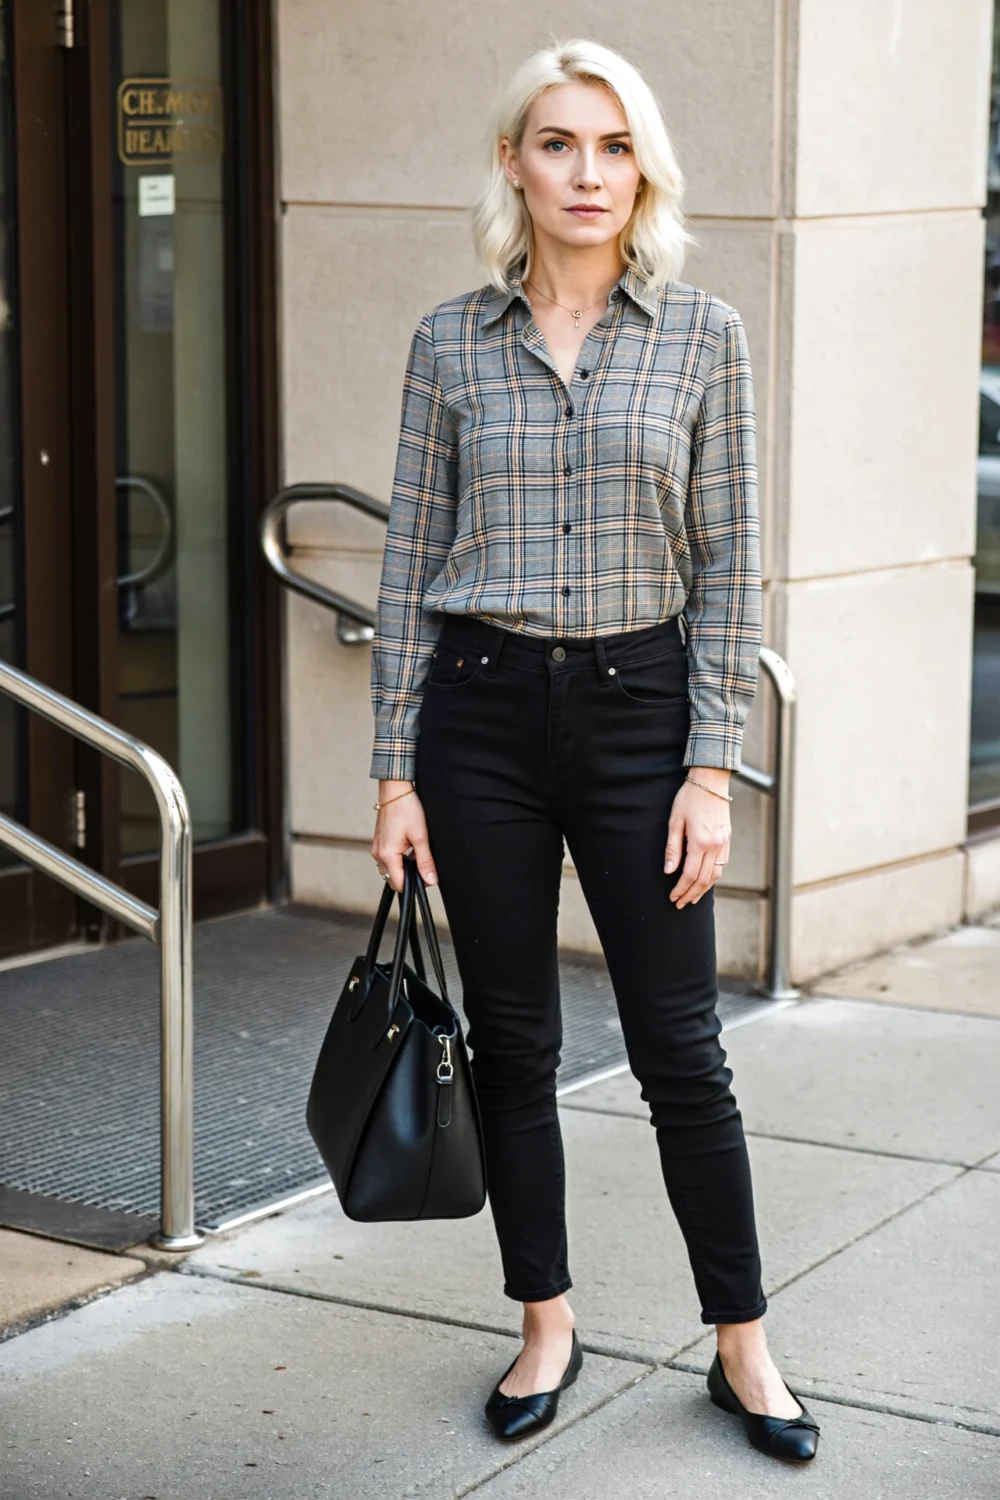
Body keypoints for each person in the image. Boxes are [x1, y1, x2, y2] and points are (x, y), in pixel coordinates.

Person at [369, 37, 819, 1464]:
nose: (586, 172)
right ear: (514, 161)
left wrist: (709, 767)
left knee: (682, 1052)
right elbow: (407, 567)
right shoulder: (450, 340)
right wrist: (394, 771)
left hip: (639, 720)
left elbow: (735, 564)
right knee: (514, 1045)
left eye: (613, 146)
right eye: (558, 143)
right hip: (482, 721)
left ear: (644, 170)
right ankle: (544, 1321)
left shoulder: (705, 337)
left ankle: (743, 1346)